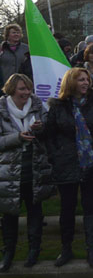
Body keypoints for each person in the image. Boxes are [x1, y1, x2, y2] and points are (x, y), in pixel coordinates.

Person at [46, 67, 93, 268]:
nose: (85, 83)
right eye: (80, 79)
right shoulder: (58, 107)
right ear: (71, 83)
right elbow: (50, 134)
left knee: (90, 206)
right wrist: (56, 154)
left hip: (91, 162)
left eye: (87, 79)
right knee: (67, 208)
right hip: (66, 162)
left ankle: (91, 249)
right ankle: (66, 248)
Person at [0, 74, 55, 270]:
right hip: (9, 170)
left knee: (35, 210)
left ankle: (34, 251)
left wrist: (40, 128)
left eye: (28, 89)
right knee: (9, 214)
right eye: (22, 89)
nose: (27, 93)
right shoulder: (1, 108)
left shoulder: (37, 105)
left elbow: (49, 130)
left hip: (35, 167)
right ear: (12, 89)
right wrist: (17, 137)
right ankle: (8, 253)